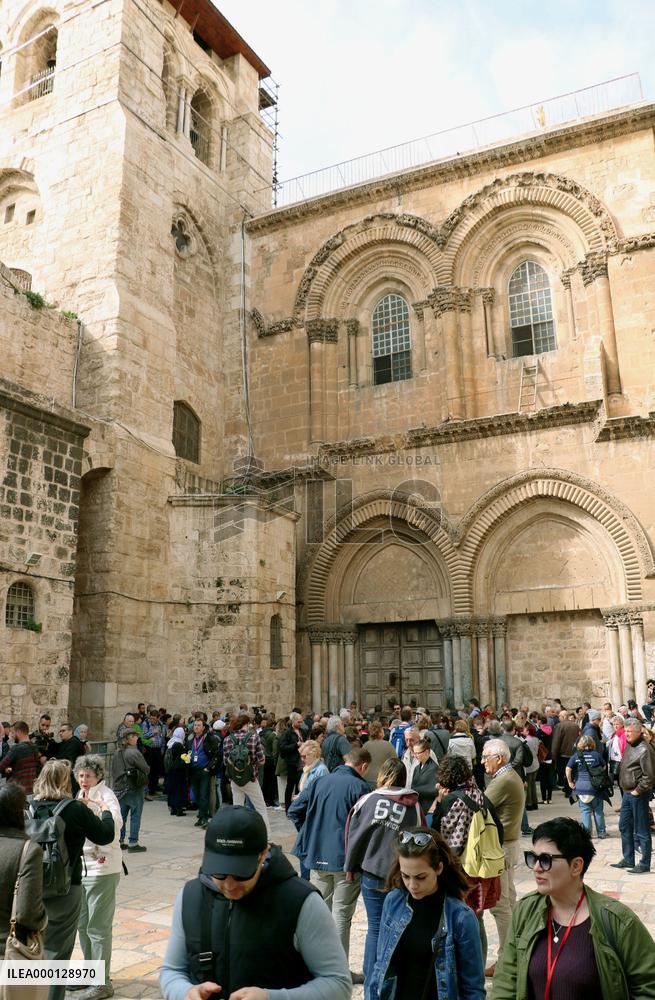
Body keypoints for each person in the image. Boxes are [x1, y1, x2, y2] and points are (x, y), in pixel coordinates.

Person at [159, 805, 351, 1000]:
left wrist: (271, 998)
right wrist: (185, 993)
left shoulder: (301, 902)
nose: (229, 884)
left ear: (263, 855)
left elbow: (338, 984)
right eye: (220, 872)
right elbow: (171, 972)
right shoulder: (190, 897)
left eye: (241, 873)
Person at [491, 817, 655, 998]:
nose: (536, 868)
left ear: (576, 866)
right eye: (533, 858)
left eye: (545, 859)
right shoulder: (525, 910)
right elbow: (506, 981)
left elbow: (648, 987)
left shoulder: (618, 921)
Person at [368, 827, 485, 1000]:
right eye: (405, 876)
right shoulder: (394, 902)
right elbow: (380, 967)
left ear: (438, 868)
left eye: (420, 877)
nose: (412, 885)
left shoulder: (460, 917)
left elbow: (473, 988)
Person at [31, 760, 115, 1000]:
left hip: (31, 886)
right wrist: (106, 811)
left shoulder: (27, 806)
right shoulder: (74, 809)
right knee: (57, 950)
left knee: (31, 947)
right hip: (66, 886)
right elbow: (105, 834)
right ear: (65, 781)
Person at [289, 747, 371, 983]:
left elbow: (295, 810)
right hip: (345, 861)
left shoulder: (320, 781)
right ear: (363, 767)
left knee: (319, 914)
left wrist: (311, 832)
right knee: (341, 915)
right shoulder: (359, 787)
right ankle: (339, 971)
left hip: (317, 857)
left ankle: (316, 968)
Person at [344, 757, 422, 984]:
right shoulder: (413, 804)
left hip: (371, 872)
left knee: (375, 927)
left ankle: (371, 980)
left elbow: (354, 834)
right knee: (398, 926)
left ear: (383, 774)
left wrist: (350, 867)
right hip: (400, 874)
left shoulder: (368, 800)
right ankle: (392, 977)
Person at [431, 755, 502, 966]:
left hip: (460, 869)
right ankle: (477, 966)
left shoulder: (451, 800)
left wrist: (439, 801)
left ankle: (459, 966)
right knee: (476, 918)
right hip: (480, 868)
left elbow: (437, 833)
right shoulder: (480, 795)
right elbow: (498, 829)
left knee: (453, 918)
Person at [73, 754, 123, 1000]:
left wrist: (95, 810)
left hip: (103, 868)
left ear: (98, 776)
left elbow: (112, 829)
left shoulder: (107, 796)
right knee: (83, 924)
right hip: (81, 868)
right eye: (81, 775)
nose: (84, 780)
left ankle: (102, 982)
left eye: (88, 776)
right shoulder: (78, 795)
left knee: (98, 927)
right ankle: (89, 973)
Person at [481, 738, 525, 979]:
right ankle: (515, 952)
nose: (482, 761)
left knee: (500, 903)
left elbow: (481, 805)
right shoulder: (508, 777)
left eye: (485, 756)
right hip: (508, 844)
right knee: (508, 900)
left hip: (502, 846)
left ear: (498, 758)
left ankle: (507, 960)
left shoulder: (504, 780)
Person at [0, 782, 48, 962]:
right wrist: (44, 920)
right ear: (20, 813)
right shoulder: (28, 851)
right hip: (8, 952)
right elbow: (28, 914)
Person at [610, 717, 655, 874]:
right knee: (624, 825)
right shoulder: (630, 745)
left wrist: (638, 790)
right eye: (626, 731)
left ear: (638, 732)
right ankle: (628, 858)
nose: (627, 734)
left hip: (638, 794)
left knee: (642, 829)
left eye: (630, 731)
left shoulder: (645, 749)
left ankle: (644, 863)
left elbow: (649, 776)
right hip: (627, 794)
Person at [221, 714, 269, 836]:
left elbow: (226, 761)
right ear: (246, 724)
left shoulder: (227, 739)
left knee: (237, 807)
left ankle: (237, 836)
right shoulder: (254, 737)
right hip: (250, 778)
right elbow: (262, 760)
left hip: (235, 779)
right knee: (260, 807)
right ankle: (266, 836)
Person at [111, 728, 149, 851]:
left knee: (121, 816)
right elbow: (146, 769)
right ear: (130, 738)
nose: (137, 738)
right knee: (135, 815)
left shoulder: (117, 752)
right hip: (133, 787)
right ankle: (133, 842)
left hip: (119, 788)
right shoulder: (133, 752)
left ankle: (119, 840)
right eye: (135, 736)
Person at [565, 735, 608, 839]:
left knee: (585, 811)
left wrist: (570, 782)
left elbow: (568, 769)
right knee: (598, 810)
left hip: (580, 787)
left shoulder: (576, 756)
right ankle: (601, 833)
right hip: (595, 787)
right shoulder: (596, 755)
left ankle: (587, 834)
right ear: (592, 743)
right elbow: (604, 766)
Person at [185, 718, 221, 831]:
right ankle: (200, 816)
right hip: (193, 770)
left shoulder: (209, 739)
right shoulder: (190, 739)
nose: (196, 727)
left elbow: (217, 755)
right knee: (196, 795)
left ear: (203, 727)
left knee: (203, 795)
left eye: (198, 725)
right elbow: (187, 751)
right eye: (195, 725)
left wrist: (208, 768)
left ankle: (204, 817)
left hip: (204, 771)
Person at [0, 719, 41, 793]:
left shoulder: (16, 748)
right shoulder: (35, 747)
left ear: (18, 732)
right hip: (31, 789)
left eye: (12, 733)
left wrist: (6, 769)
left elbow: (1, 766)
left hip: (17, 791)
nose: (11, 736)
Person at [278, 712, 306, 811]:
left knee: (300, 785)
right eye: (299, 722)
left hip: (302, 762)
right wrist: (295, 745)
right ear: (293, 721)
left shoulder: (302, 731)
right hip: (292, 763)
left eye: (301, 722)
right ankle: (288, 808)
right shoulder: (287, 733)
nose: (300, 724)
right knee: (290, 786)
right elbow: (282, 748)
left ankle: (298, 808)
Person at [52, 723, 86, 795]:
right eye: (60, 731)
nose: (61, 733)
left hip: (73, 778)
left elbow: (67, 759)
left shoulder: (74, 742)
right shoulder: (65, 742)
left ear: (70, 731)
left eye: (63, 731)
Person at [141, 709, 167, 799]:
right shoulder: (146, 724)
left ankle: (154, 789)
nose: (152, 720)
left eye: (154, 719)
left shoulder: (160, 724)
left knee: (157, 769)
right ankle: (149, 790)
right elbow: (143, 735)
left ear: (158, 718)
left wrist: (162, 748)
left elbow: (162, 737)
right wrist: (153, 732)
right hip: (149, 749)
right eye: (151, 718)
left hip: (158, 749)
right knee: (150, 770)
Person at [410, 737, 439, 815]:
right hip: (418, 806)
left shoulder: (434, 768)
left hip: (429, 809)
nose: (415, 756)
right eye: (414, 753)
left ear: (426, 752)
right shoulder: (416, 768)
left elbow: (434, 790)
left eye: (417, 753)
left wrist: (413, 790)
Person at [363, 720, 397, 788]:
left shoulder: (365, 745)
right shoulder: (388, 745)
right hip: (382, 781)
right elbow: (396, 763)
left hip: (366, 780)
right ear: (381, 732)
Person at [164, 726, 188, 816]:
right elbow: (183, 758)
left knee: (172, 790)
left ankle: (173, 809)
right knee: (179, 790)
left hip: (170, 771)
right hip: (178, 772)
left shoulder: (170, 743)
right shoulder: (178, 744)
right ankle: (179, 810)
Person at [607, 714, 626, 796]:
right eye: (614, 724)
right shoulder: (615, 734)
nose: (615, 726)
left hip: (621, 761)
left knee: (622, 783)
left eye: (617, 724)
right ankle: (624, 804)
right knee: (619, 783)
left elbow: (624, 748)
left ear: (622, 724)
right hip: (615, 761)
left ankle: (626, 805)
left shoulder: (623, 734)